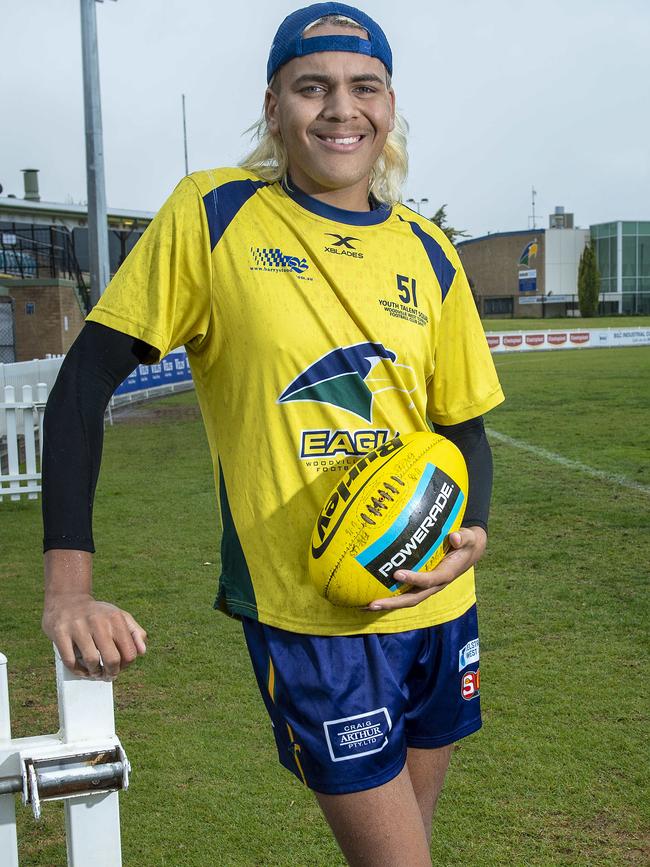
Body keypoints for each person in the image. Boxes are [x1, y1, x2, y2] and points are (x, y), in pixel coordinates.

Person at [41, 4, 504, 864]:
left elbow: (463, 429)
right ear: (273, 105)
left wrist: (469, 532)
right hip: (313, 616)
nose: (340, 109)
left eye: (363, 87)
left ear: (389, 107)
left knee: (411, 845)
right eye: (312, 87)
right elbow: (81, 385)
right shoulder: (214, 217)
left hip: (439, 606)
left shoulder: (430, 252)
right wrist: (70, 589)